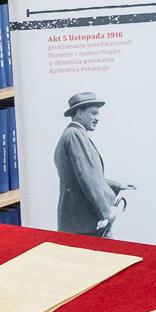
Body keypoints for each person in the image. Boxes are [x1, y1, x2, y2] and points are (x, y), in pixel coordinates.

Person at [55, 92, 134, 237]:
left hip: (79, 222)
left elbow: (85, 176)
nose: (97, 118)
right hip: (86, 222)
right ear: (79, 113)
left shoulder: (73, 134)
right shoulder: (75, 135)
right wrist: (106, 213)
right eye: (93, 113)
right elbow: (88, 178)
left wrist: (118, 185)